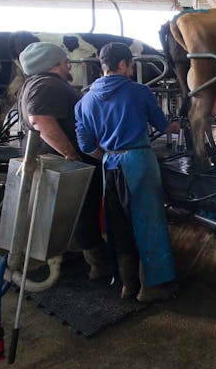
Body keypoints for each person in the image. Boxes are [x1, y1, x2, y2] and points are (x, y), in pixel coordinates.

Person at [75, 42, 180, 302]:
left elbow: (85, 145)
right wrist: (175, 125)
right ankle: (150, 287)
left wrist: (110, 155)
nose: (131, 69)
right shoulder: (139, 91)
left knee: (118, 225)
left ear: (103, 65)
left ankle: (127, 285)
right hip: (139, 162)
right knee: (149, 223)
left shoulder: (85, 100)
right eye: (131, 64)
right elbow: (163, 125)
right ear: (123, 65)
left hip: (109, 165)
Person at [16, 41, 109, 280]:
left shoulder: (35, 84)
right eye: (65, 61)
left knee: (66, 212)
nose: (69, 65)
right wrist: (72, 155)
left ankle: (69, 255)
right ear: (53, 65)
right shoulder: (47, 85)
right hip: (67, 163)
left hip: (57, 161)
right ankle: (98, 266)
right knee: (84, 210)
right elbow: (40, 120)